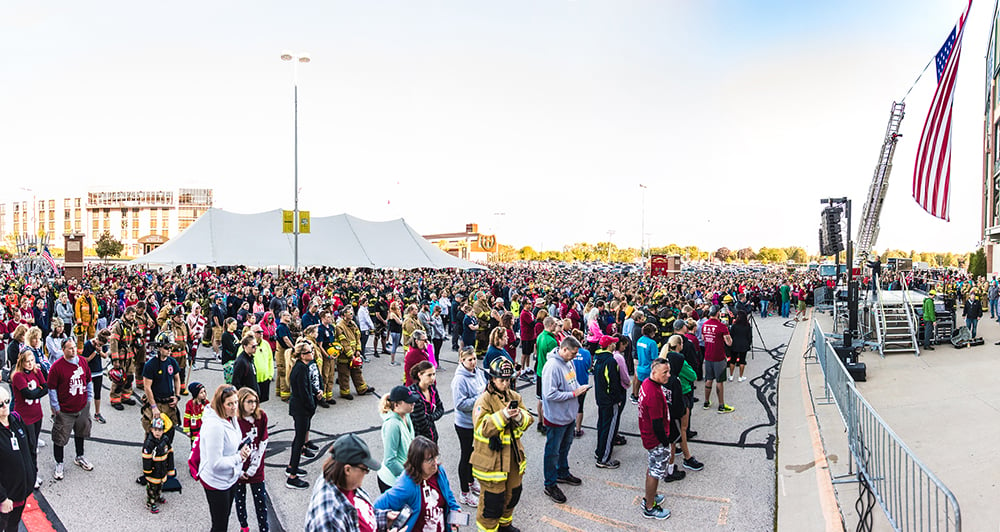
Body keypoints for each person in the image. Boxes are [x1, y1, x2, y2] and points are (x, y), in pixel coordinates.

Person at [470, 357, 533, 532]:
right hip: (492, 462)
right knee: (492, 503)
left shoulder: (515, 396)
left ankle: (505, 525)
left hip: (513, 458)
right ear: (492, 379)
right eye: (501, 380)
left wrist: (520, 417)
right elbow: (482, 428)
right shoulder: (484, 401)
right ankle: (488, 529)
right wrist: (503, 415)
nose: (505, 384)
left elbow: (529, 420)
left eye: (508, 380)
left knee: (513, 495)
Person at [304, 433, 397, 532]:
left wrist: (382, 517)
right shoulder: (329, 517)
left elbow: (360, 516)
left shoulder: (345, 482)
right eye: (364, 469)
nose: (366, 473)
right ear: (347, 469)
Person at [374, 436, 463, 532]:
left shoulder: (439, 472)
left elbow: (448, 495)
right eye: (430, 459)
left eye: (435, 457)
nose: (435, 463)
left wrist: (454, 509)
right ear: (417, 462)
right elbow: (377, 507)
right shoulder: (407, 486)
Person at [199, 384, 253, 532]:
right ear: (220, 405)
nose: (234, 407)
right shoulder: (215, 426)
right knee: (220, 525)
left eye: (236, 402)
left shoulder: (230, 417)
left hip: (230, 478)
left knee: (224, 517)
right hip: (217, 482)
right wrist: (239, 458)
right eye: (230, 404)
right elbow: (215, 463)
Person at [541, 336, 588, 504]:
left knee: (565, 446)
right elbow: (549, 394)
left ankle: (562, 471)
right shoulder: (552, 367)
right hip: (556, 417)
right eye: (573, 353)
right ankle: (550, 484)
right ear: (564, 349)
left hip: (568, 415)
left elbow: (571, 382)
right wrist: (573, 394)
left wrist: (578, 390)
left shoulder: (569, 362)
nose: (575, 357)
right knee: (552, 451)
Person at [47, 339, 94, 481]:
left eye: (74, 347)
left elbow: (88, 379)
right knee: (60, 437)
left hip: (82, 406)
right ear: (63, 350)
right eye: (70, 348)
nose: (73, 351)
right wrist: (56, 408)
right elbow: (52, 389)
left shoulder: (82, 362)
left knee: (81, 432)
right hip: (65, 410)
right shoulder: (57, 367)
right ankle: (59, 463)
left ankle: (80, 456)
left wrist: (89, 398)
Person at [637, 358, 675, 520]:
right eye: (665, 372)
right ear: (654, 372)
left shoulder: (647, 383)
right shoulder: (653, 394)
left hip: (648, 436)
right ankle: (650, 507)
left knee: (652, 467)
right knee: (655, 472)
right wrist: (665, 442)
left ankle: (650, 496)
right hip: (655, 439)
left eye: (669, 371)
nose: (668, 375)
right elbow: (657, 424)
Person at [450, 346, 486, 507]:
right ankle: (464, 493)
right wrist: (480, 399)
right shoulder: (459, 380)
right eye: (469, 360)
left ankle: (471, 481)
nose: (473, 362)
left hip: (477, 420)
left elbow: (484, 387)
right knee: (466, 456)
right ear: (461, 361)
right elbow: (460, 403)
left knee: (473, 454)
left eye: (474, 359)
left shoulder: (477, 372)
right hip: (465, 424)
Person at [662, 335, 703, 472]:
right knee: (682, 428)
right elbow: (693, 376)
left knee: (675, 428)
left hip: (668, 395)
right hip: (683, 393)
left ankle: (678, 452)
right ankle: (687, 457)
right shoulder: (680, 361)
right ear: (679, 345)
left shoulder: (664, 357)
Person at [0, 386, 36, 532]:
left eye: (7, 401)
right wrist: (2, 498)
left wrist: (32, 472)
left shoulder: (16, 419)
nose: (5, 407)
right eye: (0, 404)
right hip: (6, 499)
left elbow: (30, 449)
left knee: (13, 526)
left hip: (22, 492)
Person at [287, 342, 321, 490]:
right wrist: (311, 405)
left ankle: (291, 466)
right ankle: (292, 476)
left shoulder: (303, 367)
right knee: (299, 441)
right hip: (301, 409)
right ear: (302, 355)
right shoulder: (300, 369)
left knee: (299, 439)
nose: (312, 353)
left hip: (301, 408)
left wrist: (316, 391)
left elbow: (308, 385)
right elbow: (303, 392)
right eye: (309, 352)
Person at [235, 387, 270, 532]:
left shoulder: (261, 417)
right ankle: (244, 526)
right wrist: (239, 469)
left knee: (260, 501)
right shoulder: (234, 420)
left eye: (255, 401)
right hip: (238, 468)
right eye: (249, 402)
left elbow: (263, 442)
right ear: (241, 402)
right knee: (240, 500)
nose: (253, 405)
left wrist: (252, 468)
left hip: (255, 468)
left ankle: (264, 528)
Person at [10, 349, 46, 489]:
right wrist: (38, 391)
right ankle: (31, 475)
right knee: (30, 447)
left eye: (32, 360)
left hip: (37, 414)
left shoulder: (36, 371)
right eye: (27, 361)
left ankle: (31, 473)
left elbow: (46, 387)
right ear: (22, 362)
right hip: (25, 417)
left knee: (34, 444)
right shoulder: (18, 376)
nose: (30, 364)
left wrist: (36, 392)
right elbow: (27, 394)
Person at [141, 332, 182, 442]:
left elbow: (177, 379)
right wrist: (154, 407)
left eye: (170, 347)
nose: (169, 350)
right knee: (152, 432)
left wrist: (177, 396)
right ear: (159, 348)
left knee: (169, 431)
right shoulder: (150, 365)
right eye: (166, 347)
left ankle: (166, 454)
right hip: (155, 402)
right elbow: (147, 387)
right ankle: (148, 455)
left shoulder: (172, 362)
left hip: (169, 402)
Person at [592, 335, 625, 469]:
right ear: (609, 345)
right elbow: (613, 383)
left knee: (602, 425)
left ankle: (599, 450)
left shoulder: (597, 358)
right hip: (610, 400)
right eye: (613, 343)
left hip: (600, 398)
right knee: (610, 428)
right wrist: (617, 399)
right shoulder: (611, 361)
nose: (614, 345)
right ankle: (604, 458)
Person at [377, 386, 417, 493]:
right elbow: (390, 460)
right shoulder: (392, 425)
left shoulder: (406, 415)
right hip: (392, 481)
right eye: (409, 402)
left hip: (405, 475)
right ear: (396, 405)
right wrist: (410, 477)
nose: (413, 403)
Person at [701, 306, 735, 413]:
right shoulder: (722, 326)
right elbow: (729, 343)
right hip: (719, 357)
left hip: (708, 356)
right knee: (720, 381)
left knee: (709, 379)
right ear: (718, 313)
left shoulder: (705, 325)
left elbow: (703, 338)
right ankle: (721, 405)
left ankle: (706, 402)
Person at [335, 307, 374, 400]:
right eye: (349, 313)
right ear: (344, 315)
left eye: (352, 313)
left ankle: (362, 389)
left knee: (357, 372)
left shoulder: (353, 324)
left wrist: (358, 350)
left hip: (354, 353)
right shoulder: (339, 327)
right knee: (344, 374)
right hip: (344, 355)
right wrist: (350, 355)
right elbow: (343, 341)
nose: (352, 315)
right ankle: (345, 392)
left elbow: (358, 337)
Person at [108, 306, 140, 410]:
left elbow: (136, 336)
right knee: (119, 379)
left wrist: (139, 335)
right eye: (131, 315)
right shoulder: (118, 325)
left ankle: (125, 397)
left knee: (129, 377)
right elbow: (113, 343)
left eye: (134, 316)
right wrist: (115, 360)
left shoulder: (133, 324)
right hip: (121, 356)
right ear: (126, 314)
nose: (133, 318)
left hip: (130, 356)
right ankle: (115, 399)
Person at [141, 416, 173, 514]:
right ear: (151, 429)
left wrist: (170, 468)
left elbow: (170, 453)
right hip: (153, 470)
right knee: (151, 487)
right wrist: (148, 471)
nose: (158, 432)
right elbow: (146, 458)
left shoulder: (165, 440)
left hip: (162, 468)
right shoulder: (149, 443)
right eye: (155, 430)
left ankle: (158, 496)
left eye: (160, 430)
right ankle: (150, 503)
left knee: (160, 485)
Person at [533, 316, 558, 435]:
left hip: (539, 370)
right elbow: (555, 359)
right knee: (546, 400)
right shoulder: (551, 341)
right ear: (551, 325)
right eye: (555, 324)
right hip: (546, 373)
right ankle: (545, 424)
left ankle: (540, 421)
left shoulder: (540, 336)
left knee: (540, 399)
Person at [408, 361, 444, 443]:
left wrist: (430, 417)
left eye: (434, 374)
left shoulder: (432, 388)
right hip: (419, 440)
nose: (432, 378)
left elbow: (441, 408)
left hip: (432, 435)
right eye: (429, 375)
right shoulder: (414, 395)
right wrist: (431, 418)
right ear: (420, 375)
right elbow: (421, 424)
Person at [81, 329, 110, 424]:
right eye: (99, 344)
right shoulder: (88, 345)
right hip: (88, 372)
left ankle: (97, 413)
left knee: (97, 393)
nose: (100, 346)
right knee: (86, 394)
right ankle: (84, 412)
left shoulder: (103, 345)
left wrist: (100, 351)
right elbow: (86, 360)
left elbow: (105, 356)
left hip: (98, 372)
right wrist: (95, 352)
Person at [569, 330, 592, 438]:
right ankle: (578, 429)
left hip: (570, 382)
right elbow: (589, 366)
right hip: (582, 382)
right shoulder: (586, 353)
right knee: (580, 407)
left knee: (569, 405)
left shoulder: (568, 352)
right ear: (582, 341)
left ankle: (569, 428)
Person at [250, 325, 274, 402]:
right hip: (252, 382)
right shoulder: (247, 345)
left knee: (262, 401)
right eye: (258, 332)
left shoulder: (266, 344)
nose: (261, 334)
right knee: (252, 403)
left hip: (265, 380)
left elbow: (270, 360)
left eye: (262, 332)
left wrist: (270, 376)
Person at [727, 311, 752, 382]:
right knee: (742, 361)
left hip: (735, 344)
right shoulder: (747, 325)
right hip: (744, 344)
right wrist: (748, 343)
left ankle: (731, 376)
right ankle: (740, 377)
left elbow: (731, 335)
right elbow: (749, 336)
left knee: (732, 360)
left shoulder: (734, 325)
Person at [387, 301, 403, 366]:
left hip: (397, 331)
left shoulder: (396, 313)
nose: (398, 305)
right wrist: (401, 320)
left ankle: (393, 360)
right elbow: (399, 322)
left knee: (395, 345)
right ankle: (392, 361)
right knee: (394, 345)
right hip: (395, 331)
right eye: (397, 305)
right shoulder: (392, 314)